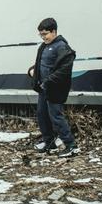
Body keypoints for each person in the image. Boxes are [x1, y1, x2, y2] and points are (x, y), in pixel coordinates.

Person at [27, 17, 79, 156]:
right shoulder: (44, 46)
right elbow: (42, 63)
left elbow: (63, 68)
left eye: (45, 34)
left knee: (56, 116)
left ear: (54, 31)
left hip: (55, 89)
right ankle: (49, 143)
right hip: (43, 88)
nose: (43, 37)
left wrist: (49, 80)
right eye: (41, 34)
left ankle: (71, 145)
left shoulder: (62, 46)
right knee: (42, 114)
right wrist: (33, 71)